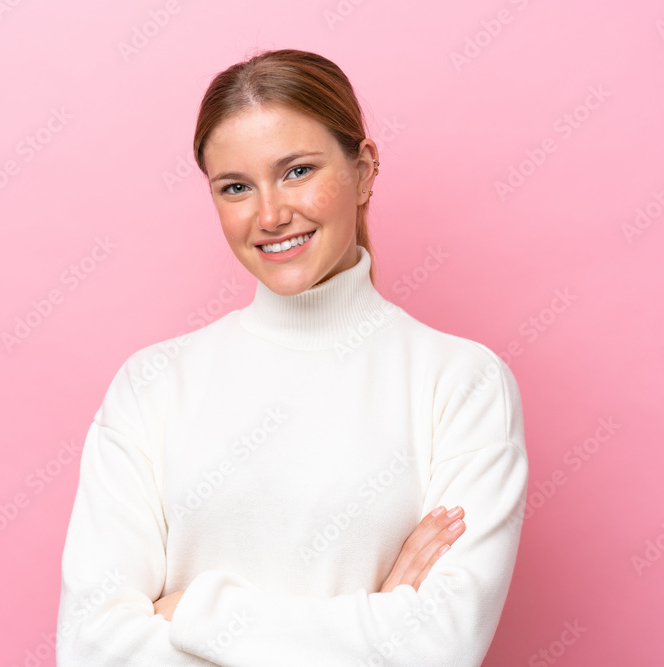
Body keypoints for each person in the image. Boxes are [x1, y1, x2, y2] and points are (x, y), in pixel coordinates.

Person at [56, 48, 528, 666]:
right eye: (236, 187)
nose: (271, 215)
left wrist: (193, 614)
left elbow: (437, 646)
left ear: (364, 170)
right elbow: (92, 650)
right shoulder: (151, 385)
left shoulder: (462, 384)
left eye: (298, 171)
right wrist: (374, 628)